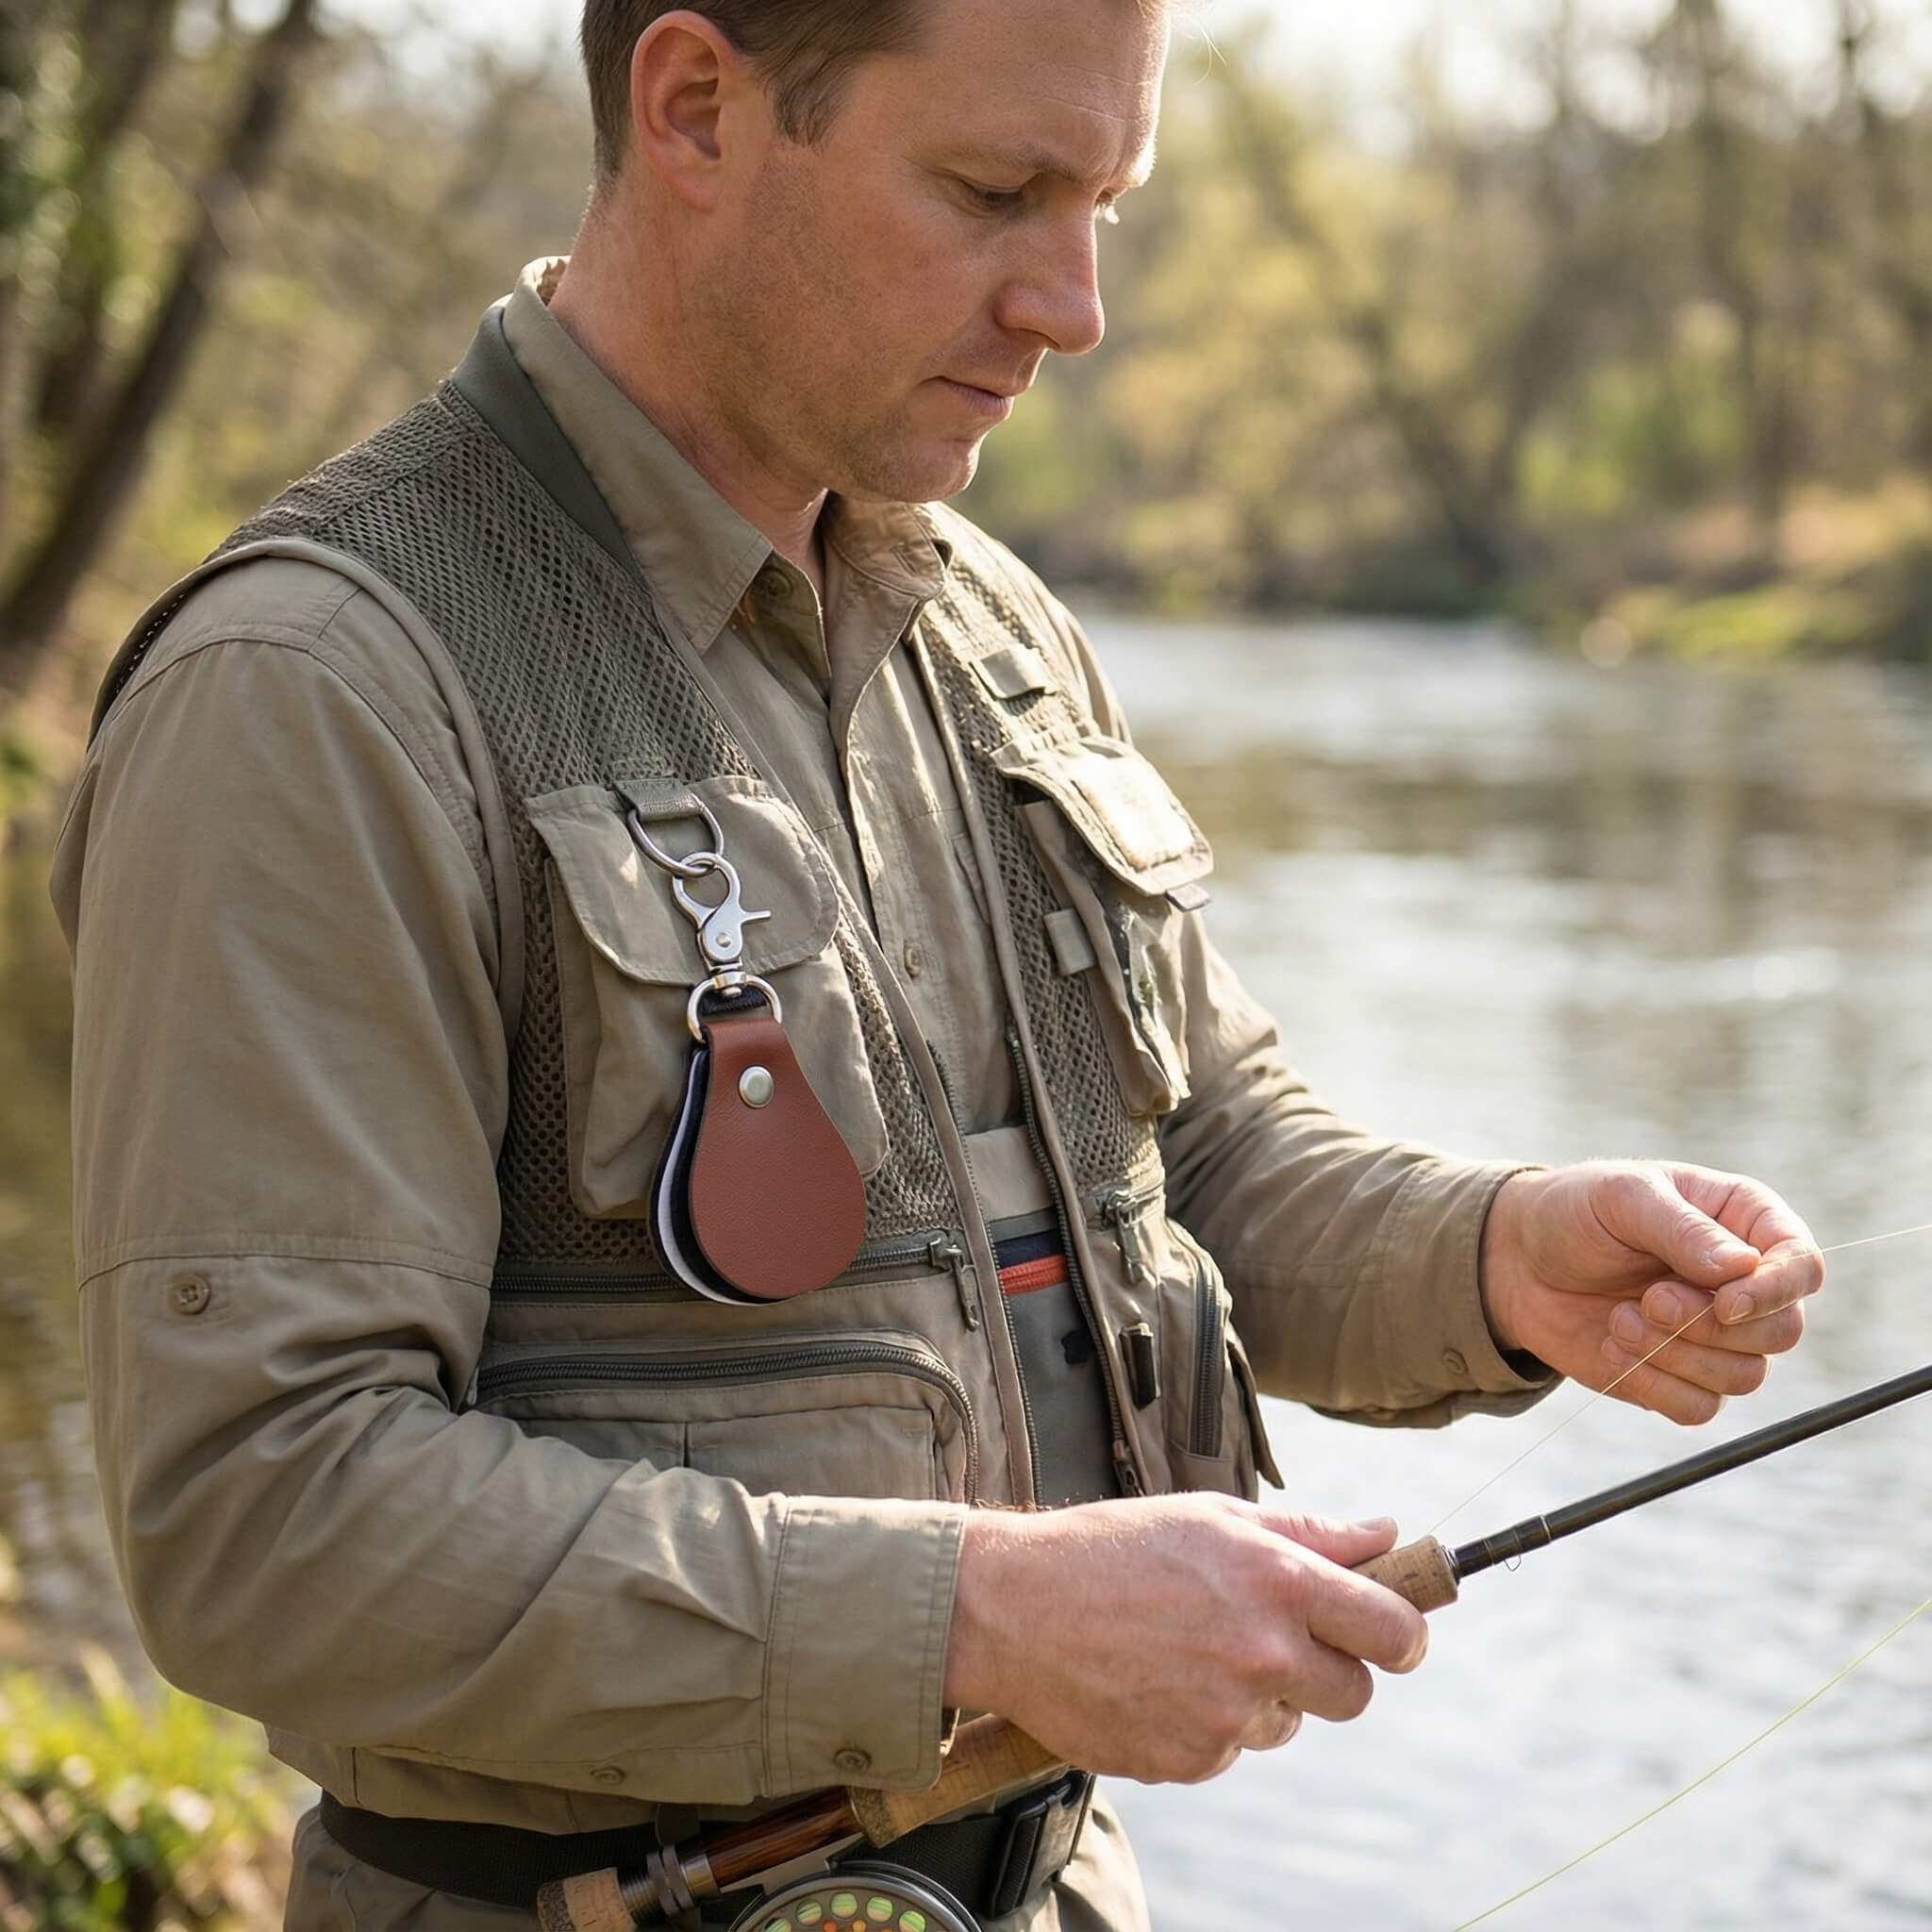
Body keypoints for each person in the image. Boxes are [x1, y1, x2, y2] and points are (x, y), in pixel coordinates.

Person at [50, 2, 1824, 1927]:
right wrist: (984, 1617)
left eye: (1106, 208)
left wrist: (1500, 1253)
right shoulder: (319, 685)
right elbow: (265, 1519)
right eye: (995, 192)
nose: (1070, 303)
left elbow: (1196, 1162)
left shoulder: (990, 629)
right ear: (697, 106)